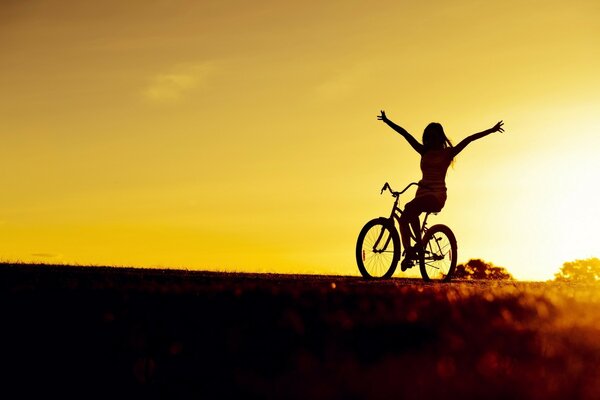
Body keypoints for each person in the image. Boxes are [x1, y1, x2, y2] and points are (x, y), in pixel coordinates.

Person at [377, 110, 504, 270]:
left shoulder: (448, 153)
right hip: (422, 193)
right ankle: (418, 246)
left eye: (433, 136)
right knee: (407, 215)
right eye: (427, 137)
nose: (429, 139)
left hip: (436, 196)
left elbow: (469, 139)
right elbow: (405, 134)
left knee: (409, 209)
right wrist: (388, 121)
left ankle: (409, 252)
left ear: (439, 138)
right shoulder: (424, 151)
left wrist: (491, 130)